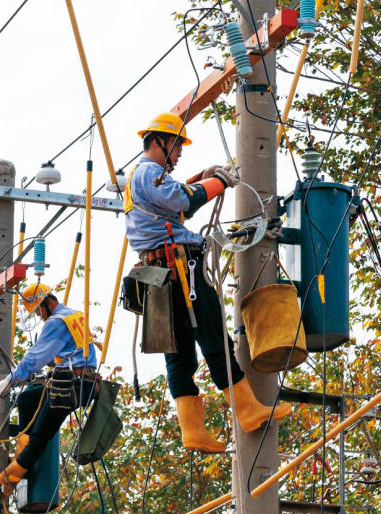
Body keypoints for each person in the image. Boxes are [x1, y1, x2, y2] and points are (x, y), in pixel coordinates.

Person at [123, 112, 291, 453]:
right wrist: (217, 184)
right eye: (176, 145)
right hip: (179, 269)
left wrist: (203, 177)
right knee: (214, 338)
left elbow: (174, 203)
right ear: (159, 142)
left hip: (156, 276)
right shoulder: (147, 172)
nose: (180, 153)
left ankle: (193, 430)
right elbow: (183, 201)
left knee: (179, 356)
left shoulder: (144, 178)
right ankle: (246, 409)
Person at [0, 284, 98, 490]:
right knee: (27, 400)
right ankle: (21, 454)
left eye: (38, 310)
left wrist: (10, 380)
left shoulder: (56, 322)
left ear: (47, 302)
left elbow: (34, 359)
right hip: (82, 382)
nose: (39, 316)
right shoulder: (73, 315)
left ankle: (11, 477)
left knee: (41, 433)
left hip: (69, 386)